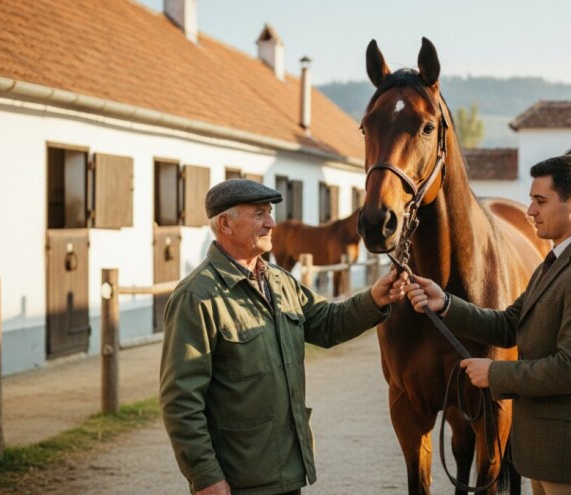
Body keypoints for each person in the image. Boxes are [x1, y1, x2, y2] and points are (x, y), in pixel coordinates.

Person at [159, 179, 402, 495]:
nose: (272, 223)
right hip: (238, 479)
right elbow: (180, 400)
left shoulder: (279, 282)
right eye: (259, 214)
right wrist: (205, 476)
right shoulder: (197, 297)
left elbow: (327, 323)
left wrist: (374, 299)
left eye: (270, 213)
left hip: (287, 470)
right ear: (225, 224)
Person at [404, 155, 571, 495]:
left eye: (540, 201)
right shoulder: (552, 264)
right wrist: (445, 303)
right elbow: (509, 325)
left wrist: (493, 375)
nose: (530, 211)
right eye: (531, 200)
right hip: (544, 453)